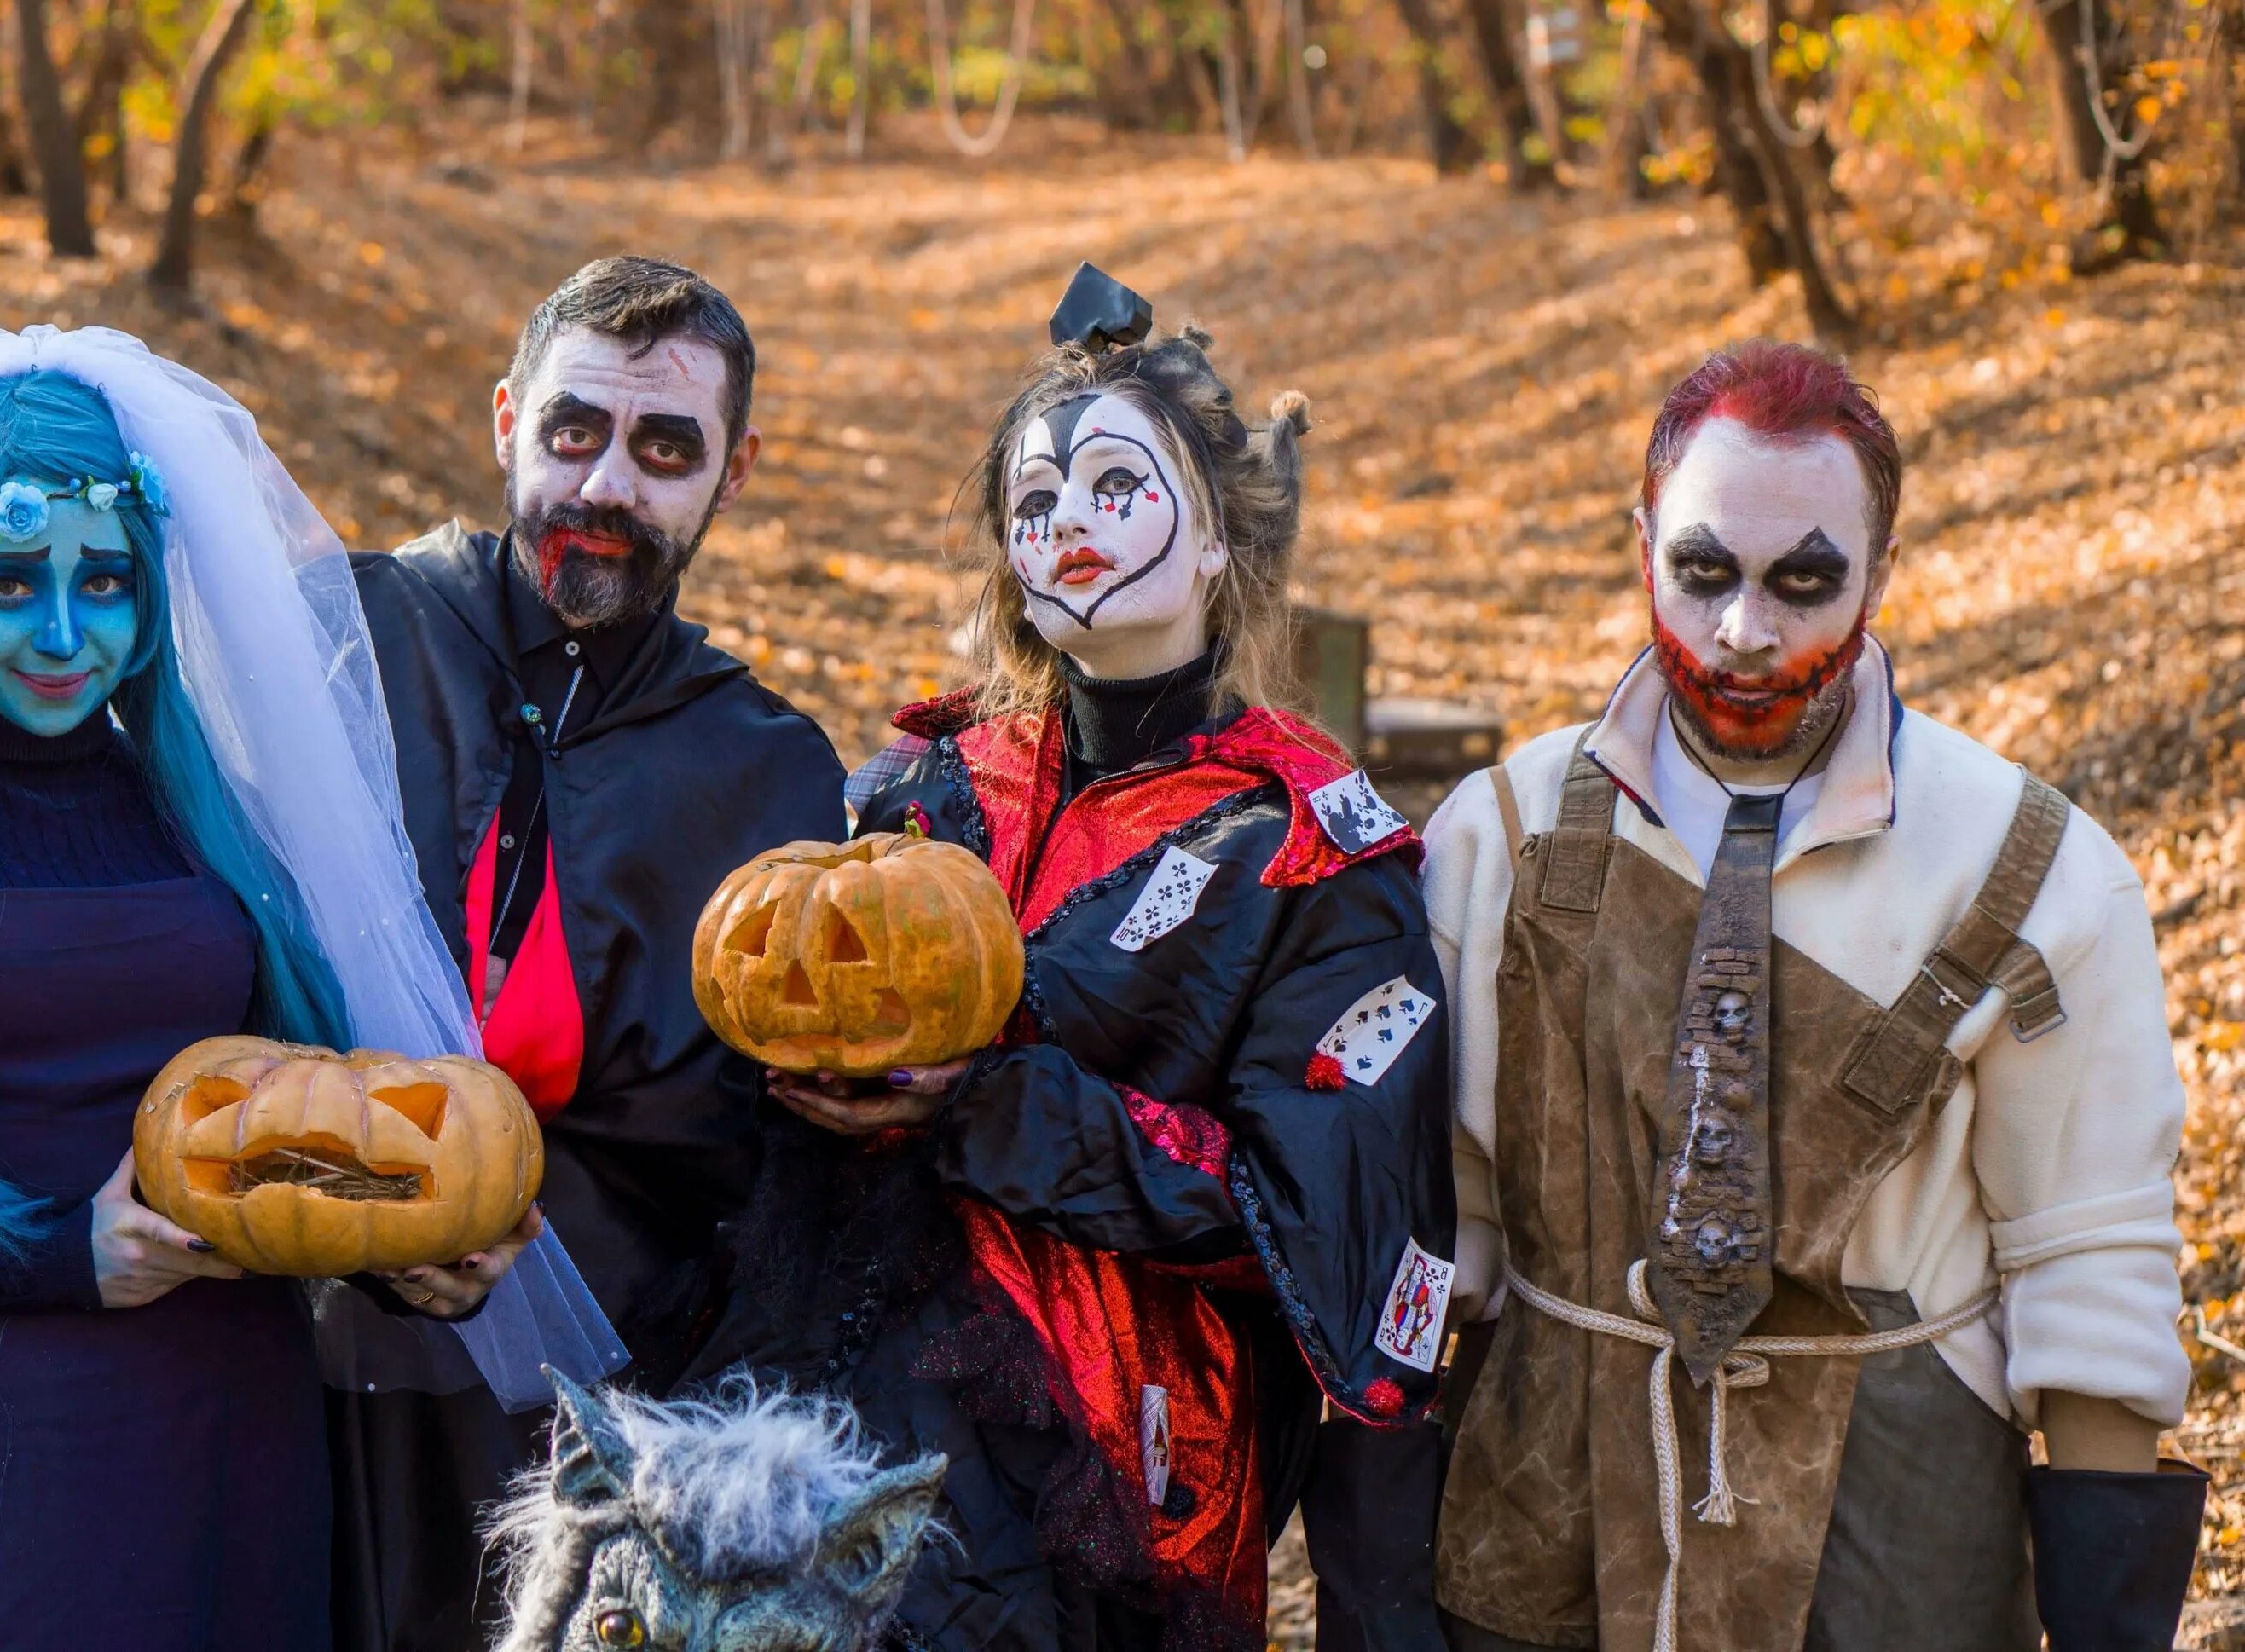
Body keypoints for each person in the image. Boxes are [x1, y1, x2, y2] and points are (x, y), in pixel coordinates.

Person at [0, 329, 569, 1652]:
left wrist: (409, 1259)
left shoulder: (213, 825)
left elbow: (305, 1108)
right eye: (8, 586)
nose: (60, 632)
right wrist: (54, 1252)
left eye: (102, 583)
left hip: (228, 1413)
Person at [690, 265, 1457, 1652]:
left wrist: (985, 1106)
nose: (1072, 532)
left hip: (1117, 1439)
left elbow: (1309, 1209)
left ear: (1219, 538)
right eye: (1035, 508)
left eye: (1116, 489)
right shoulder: (915, 793)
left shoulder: (1308, 849)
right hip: (836, 1366)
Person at [1425, 339, 2206, 1652]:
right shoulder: (1497, 838)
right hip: (1544, 1521)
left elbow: (2090, 1264)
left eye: (1805, 581)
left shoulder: (2029, 868)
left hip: (1897, 1540)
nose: (1746, 631)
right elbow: (1444, 1233)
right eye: (1704, 571)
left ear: (1882, 574)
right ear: (1642, 549)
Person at [328, 256, 848, 1652]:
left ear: (733, 474)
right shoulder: (345, 642)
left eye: (666, 448)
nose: (607, 486)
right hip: (287, 1360)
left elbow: (757, 1164)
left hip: (589, 1411)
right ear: (508, 421)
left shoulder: (771, 773)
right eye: (576, 431)